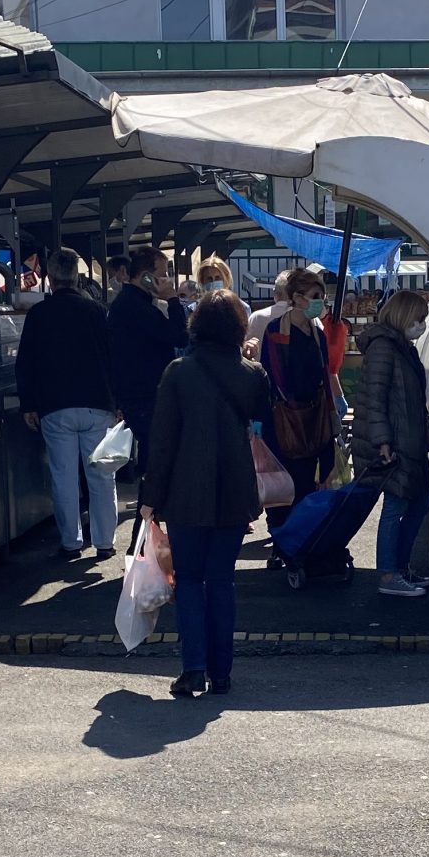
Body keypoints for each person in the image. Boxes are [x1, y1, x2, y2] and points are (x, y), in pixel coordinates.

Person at [139, 295, 272, 699]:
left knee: (190, 582)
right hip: (234, 492)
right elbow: (262, 419)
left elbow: (162, 441)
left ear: (196, 325)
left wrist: (150, 496)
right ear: (238, 328)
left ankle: (193, 669)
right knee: (222, 582)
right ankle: (223, 673)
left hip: (184, 493)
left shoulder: (179, 372)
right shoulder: (253, 374)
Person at [15, 250, 120, 562]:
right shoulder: (98, 311)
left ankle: (71, 543)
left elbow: (25, 363)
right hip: (97, 403)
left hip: (55, 405)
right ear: (76, 276)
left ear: (50, 277)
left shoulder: (38, 315)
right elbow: (114, 358)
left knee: (64, 476)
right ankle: (104, 542)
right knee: (101, 475)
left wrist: (28, 404)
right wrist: (118, 401)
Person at [353, 289, 429, 597]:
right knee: (397, 505)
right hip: (395, 442)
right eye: (418, 318)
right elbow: (373, 398)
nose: (422, 325)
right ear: (404, 316)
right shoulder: (385, 348)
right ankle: (389, 574)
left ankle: (398, 568)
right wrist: (383, 440)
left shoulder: (401, 347)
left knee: (418, 501)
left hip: (406, 439)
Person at [106, 247, 189, 522]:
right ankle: (143, 535)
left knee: (155, 462)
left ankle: (144, 532)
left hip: (139, 395)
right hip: (144, 397)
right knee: (156, 463)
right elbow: (178, 336)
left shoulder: (131, 304)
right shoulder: (135, 307)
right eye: (162, 274)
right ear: (144, 277)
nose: (166, 280)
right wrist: (174, 301)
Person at [256, 267, 337, 534]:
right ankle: (281, 538)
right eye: (315, 295)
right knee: (286, 483)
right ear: (297, 297)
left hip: (315, 417)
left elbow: (326, 373)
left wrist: (332, 409)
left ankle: (304, 539)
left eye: (322, 296)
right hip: (285, 420)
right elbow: (273, 377)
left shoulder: (318, 333)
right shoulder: (275, 331)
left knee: (311, 484)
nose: (320, 301)